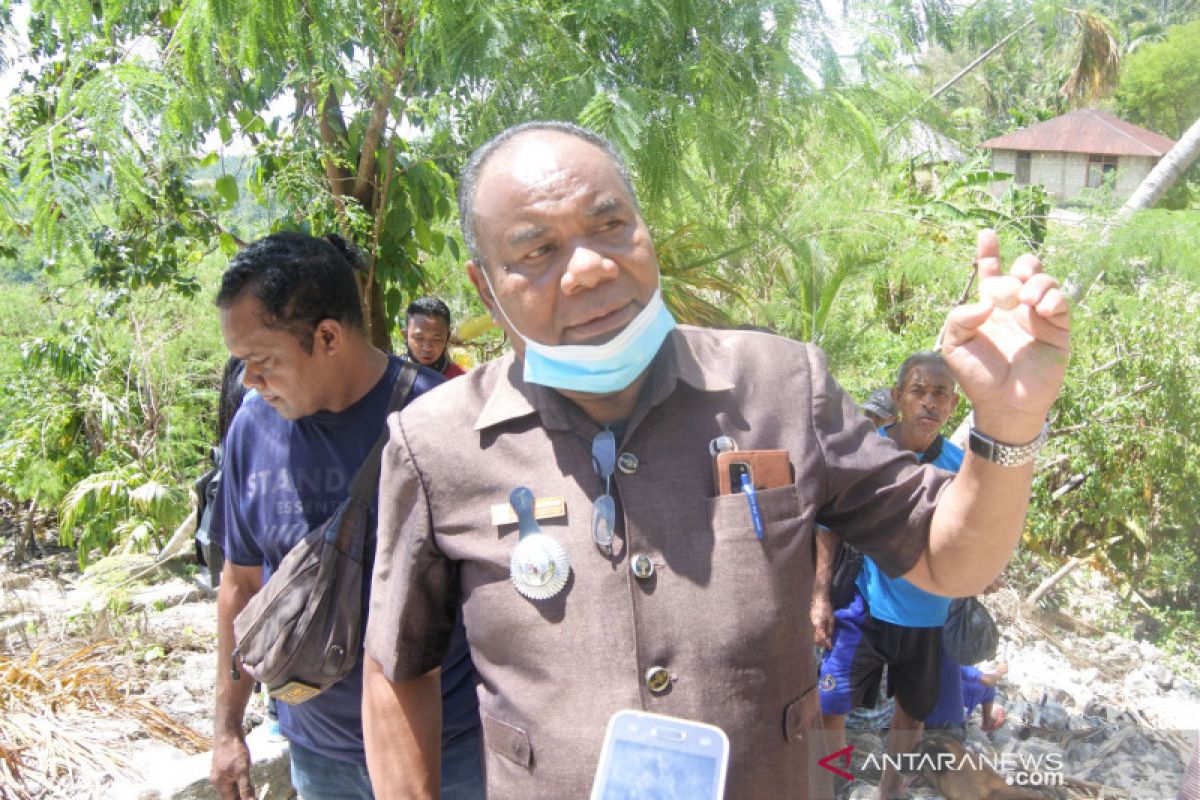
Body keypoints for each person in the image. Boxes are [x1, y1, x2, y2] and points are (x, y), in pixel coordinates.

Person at [361, 121, 1070, 798]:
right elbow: (395, 668)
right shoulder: (435, 445)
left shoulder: (783, 385)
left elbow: (950, 560)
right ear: (485, 286)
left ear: (645, 230)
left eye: (611, 225)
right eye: (536, 250)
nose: (587, 269)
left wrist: (1007, 422)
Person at [208, 233, 483, 800]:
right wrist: (226, 730)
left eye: (261, 362)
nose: (250, 383)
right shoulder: (252, 429)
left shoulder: (438, 419)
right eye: (242, 366)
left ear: (328, 336)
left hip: (449, 753)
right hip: (318, 756)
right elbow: (239, 584)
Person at [815, 350, 968, 799]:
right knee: (829, 700)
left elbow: (979, 534)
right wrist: (819, 595)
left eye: (940, 393)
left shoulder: (963, 467)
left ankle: (889, 793)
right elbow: (828, 524)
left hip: (930, 618)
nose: (928, 403)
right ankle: (836, 786)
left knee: (911, 717)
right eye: (918, 390)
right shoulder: (868, 450)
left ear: (954, 405)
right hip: (866, 607)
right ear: (899, 396)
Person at [405, 297, 467, 378]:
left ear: (447, 338)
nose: (427, 348)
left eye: (436, 339)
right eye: (419, 338)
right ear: (405, 335)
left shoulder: (461, 380)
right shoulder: (390, 372)